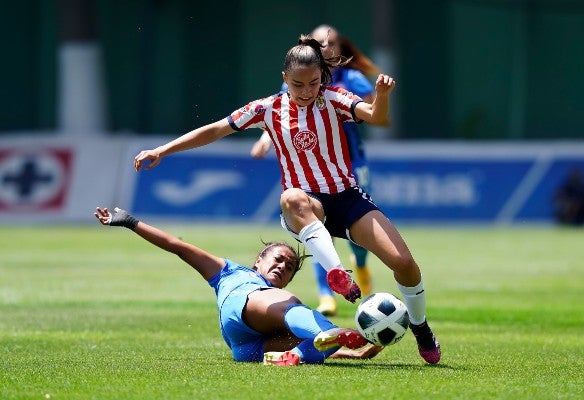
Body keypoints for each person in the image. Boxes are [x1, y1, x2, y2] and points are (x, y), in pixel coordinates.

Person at [133, 34, 442, 364]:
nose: (307, 91)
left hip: (347, 199)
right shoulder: (267, 109)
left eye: (313, 83)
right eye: (298, 84)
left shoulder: (335, 99)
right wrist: (163, 150)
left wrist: (382, 96)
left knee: (405, 264)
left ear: (322, 78)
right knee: (292, 195)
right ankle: (337, 273)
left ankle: (421, 328)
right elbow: (216, 129)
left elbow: (376, 117)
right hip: (306, 208)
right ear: (285, 79)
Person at [93, 206, 383, 366]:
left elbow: (324, 344)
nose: (283, 267)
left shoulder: (274, 296)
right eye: (279, 259)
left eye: (290, 268)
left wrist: (353, 353)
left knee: (314, 343)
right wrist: (131, 222)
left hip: (246, 348)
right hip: (243, 304)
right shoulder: (227, 270)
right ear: (259, 260)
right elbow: (176, 246)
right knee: (294, 308)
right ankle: (328, 332)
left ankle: (295, 357)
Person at [251, 25, 378, 317]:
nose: (327, 47)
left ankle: (360, 263)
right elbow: (282, 118)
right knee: (318, 231)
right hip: (312, 166)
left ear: (340, 47)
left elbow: (372, 110)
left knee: (360, 227)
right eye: (321, 42)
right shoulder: (300, 81)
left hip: (351, 162)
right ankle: (327, 293)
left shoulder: (351, 80)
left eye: (332, 42)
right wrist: (264, 140)